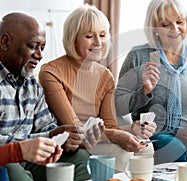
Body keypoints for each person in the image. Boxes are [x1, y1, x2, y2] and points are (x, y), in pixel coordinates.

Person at [38, 4, 157, 172]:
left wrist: (132, 128)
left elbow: (110, 127)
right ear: (72, 38)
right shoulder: (51, 72)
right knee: (120, 152)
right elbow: (75, 129)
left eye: (102, 35)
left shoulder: (105, 76)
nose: (98, 42)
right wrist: (117, 135)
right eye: (89, 36)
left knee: (146, 148)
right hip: (73, 143)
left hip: (97, 139)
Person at [0, 12, 101, 181]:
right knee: (11, 169)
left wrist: (59, 135)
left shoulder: (32, 85)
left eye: (42, 48)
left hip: (30, 160)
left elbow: (47, 127)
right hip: (7, 161)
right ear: (5, 43)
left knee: (80, 159)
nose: (39, 55)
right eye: (32, 47)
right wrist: (24, 147)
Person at [115, 0, 187, 164]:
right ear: (154, 27)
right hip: (156, 133)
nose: (175, 29)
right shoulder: (138, 56)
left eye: (179, 22)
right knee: (173, 148)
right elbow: (118, 106)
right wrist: (145, 91)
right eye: (165, 24)